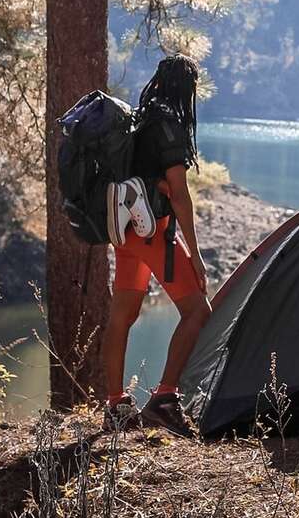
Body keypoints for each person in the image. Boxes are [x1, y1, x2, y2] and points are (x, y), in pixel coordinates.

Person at [102, 54, 211, 436]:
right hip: (153, 234)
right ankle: (165, 399)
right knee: (197, 311)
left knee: (122, 316)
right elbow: (179, 195)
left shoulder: (139, 118)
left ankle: (115, 405)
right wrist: (195, 255)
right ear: (186, 89)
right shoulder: (169, 126)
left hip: (125, 234)